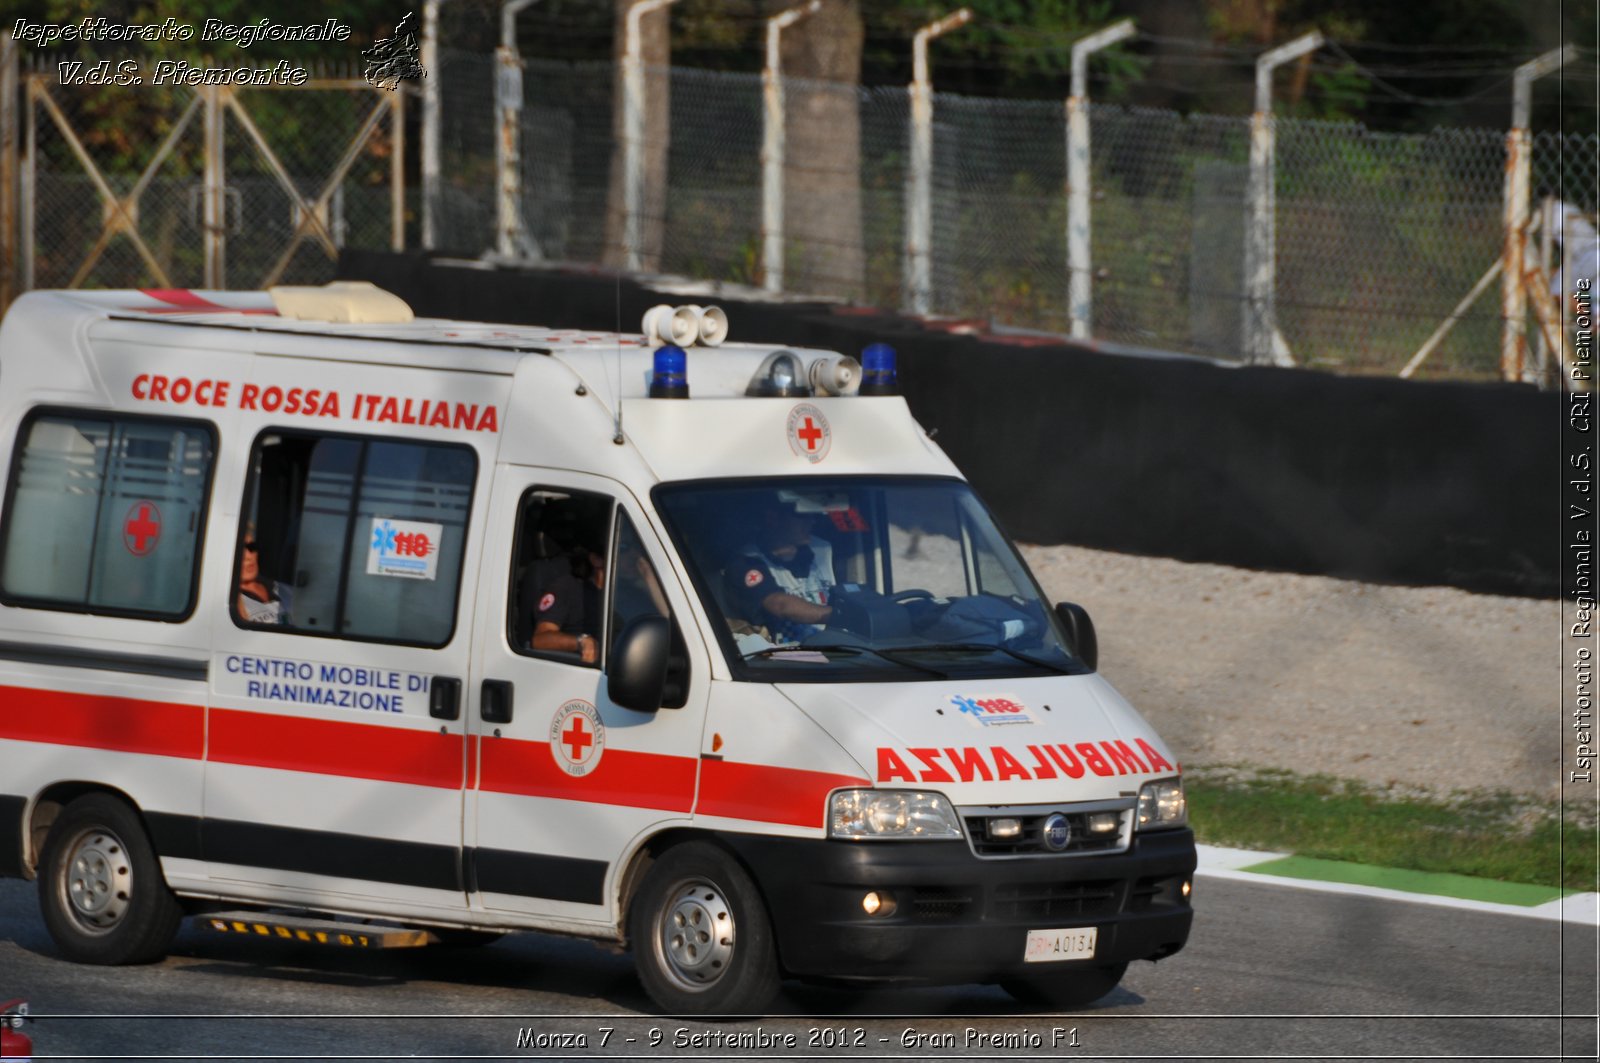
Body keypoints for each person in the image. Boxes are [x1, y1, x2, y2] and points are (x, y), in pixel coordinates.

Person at [724, 497, 834, 644]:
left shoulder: (823, 549)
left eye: (812, 516)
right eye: (802, 516)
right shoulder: (746, 561)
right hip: (782, 659)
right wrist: (838, 615)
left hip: (838, 650)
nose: (811, 522)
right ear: (773, 518)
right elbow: (780, 605)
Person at [527, 544, 606, 663]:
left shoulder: (631, 593)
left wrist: (645, 574)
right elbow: (540, 639)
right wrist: (582, 642)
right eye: (624, 548)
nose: (633, 556)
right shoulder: (566, 588)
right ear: (596, 559)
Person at [236, 525, 280, 624]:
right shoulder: (229, 602)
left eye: (251, 547)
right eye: (239, 550)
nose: (248, 556)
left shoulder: (282, 588)